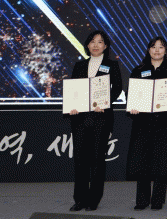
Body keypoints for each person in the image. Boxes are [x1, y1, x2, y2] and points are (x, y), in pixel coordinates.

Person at [126, 36, 167, 211]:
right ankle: (142, 200)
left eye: (161, 47)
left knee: (162, 161)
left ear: (166, 50)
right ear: (148, 49)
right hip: (143, 123)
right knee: (142, 160)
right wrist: (133, 106)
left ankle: (158, 199)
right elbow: (131, 94)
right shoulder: (138, 70)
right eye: (153, 47)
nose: (157, 50)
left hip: (164, 122)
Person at [67, 30, 123, 212]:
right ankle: (80, 199)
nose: (96, 45)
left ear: (105, 46)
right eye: (92, 41)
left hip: (101, 118)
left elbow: (117, 89)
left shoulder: (112, 65)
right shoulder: (80, 65)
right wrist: (72, 106)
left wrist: (105, 103)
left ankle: (93, 199)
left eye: (100, 42)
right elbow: (74, 90)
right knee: (80, 160)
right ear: (87, 45)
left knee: (97, 160)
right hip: (80, 118)